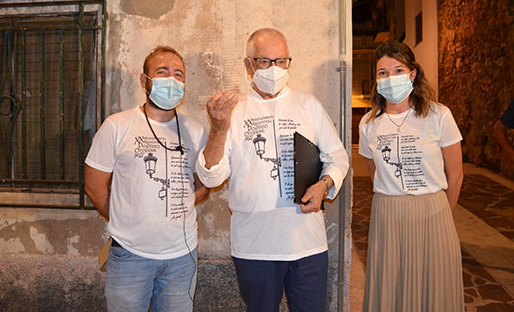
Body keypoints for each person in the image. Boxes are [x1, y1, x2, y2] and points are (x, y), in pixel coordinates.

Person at [195, 28, 349, 312]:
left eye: (281, 61)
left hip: (307, 245)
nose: (274, 69)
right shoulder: (234, 112)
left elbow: (338, 157)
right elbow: (210, 176)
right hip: (255, 247)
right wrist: (218, 130)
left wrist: (324, 184)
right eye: (265, 61)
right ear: (248, 65)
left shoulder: (308, 105)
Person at [84, 46, 209, 312]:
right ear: (145, 81)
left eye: (178, 74)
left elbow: (203, 186)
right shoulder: (117, 126)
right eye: (162, 73)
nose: (171, 80)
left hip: (181, 259)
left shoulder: (195, 132)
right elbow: (94, 187)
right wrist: (126, 217)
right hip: (130, 256)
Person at [358, 40, 464, 311]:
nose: (390, 78)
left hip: (433, 214)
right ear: (376, 78)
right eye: (383, 72)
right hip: (388, 214)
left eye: (397, 70)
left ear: (412, 73)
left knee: (434, 290)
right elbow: (375, 174)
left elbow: (456, 175)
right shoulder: (369, 123)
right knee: (391, 287)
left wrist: (440, 212)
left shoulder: (439, 115)